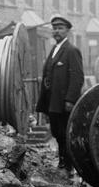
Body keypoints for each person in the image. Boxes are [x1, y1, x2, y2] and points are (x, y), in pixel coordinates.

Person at [36, 15, 84, 173]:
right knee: (56, 132)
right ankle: (63, 161)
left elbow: (77, 77)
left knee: (64, 133)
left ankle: (67, 165)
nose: (56, 31)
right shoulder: (54, 50)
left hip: (64, 102)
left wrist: (70, 100)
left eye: (60, 28)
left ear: (68, 31)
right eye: (54, 28)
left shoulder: (71, 51)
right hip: (52, 101)